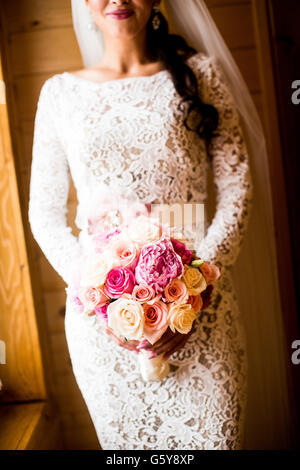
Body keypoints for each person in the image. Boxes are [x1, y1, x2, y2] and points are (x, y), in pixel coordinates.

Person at [28, 0, 254, 450]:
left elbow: (238, 188)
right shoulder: (59, 95)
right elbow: (44, 214)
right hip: (104, 328)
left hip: (199, 310)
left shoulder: (199, 75)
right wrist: (100, 299)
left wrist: (196, 285)